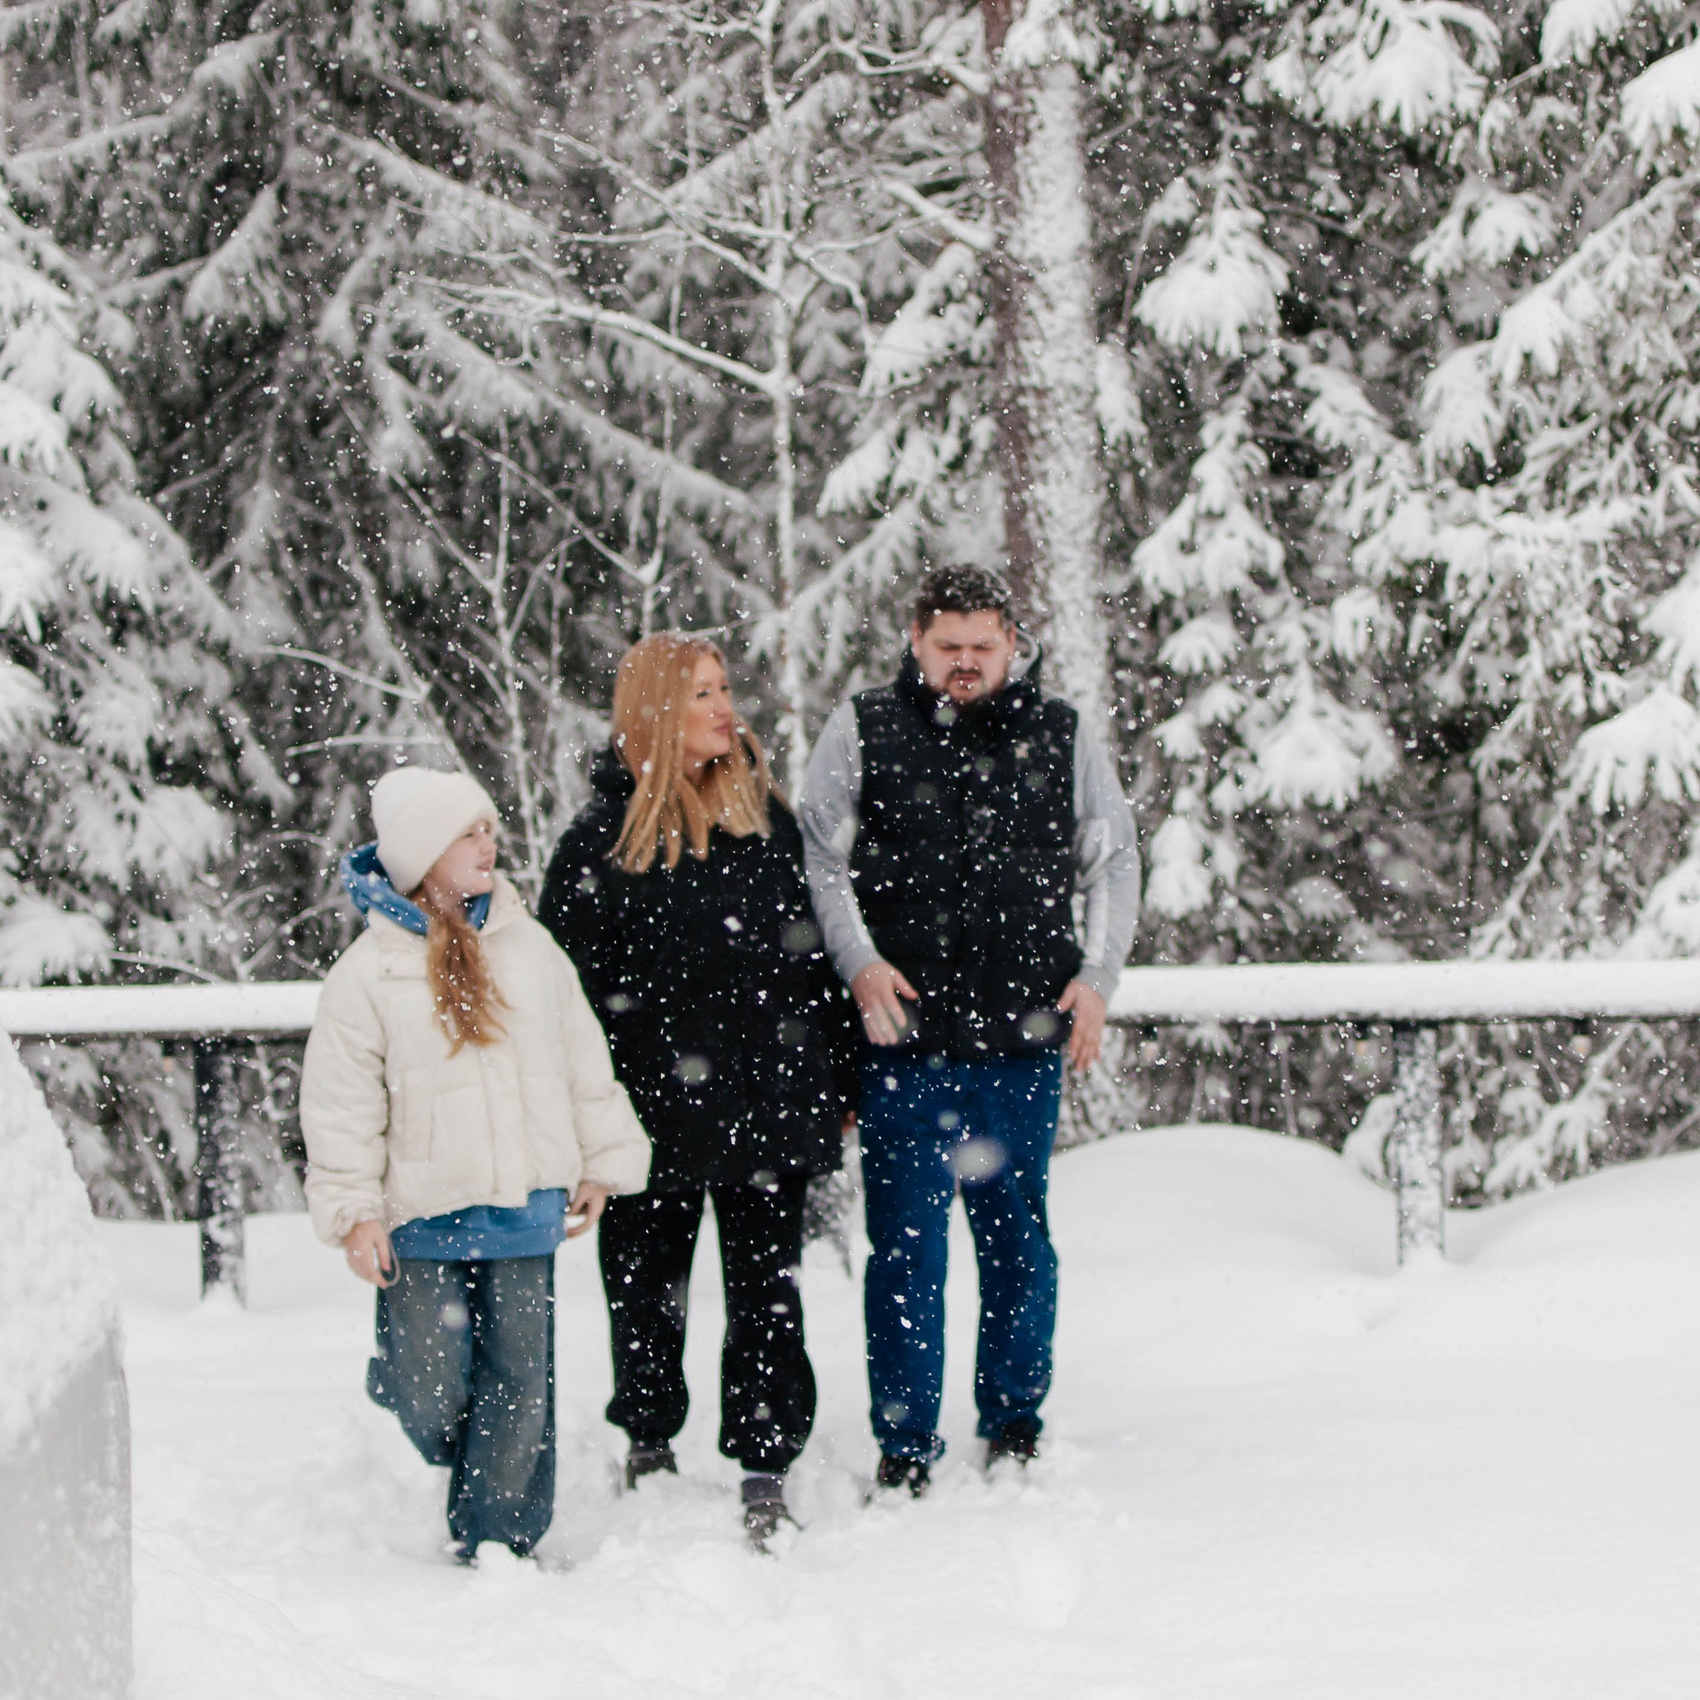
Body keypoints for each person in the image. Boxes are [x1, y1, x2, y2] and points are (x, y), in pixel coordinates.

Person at [800, 565, 1140, 1494]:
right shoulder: (864, 727)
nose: (965, 664)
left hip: (1024, 1043)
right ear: (916, 640)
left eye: (982, 647)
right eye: (948, 646)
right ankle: (905, 1446)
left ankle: (1015, 1424)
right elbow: (820, 859)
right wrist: (860, 961)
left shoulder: (1059, 733)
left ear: (1011, 644)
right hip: (904, 1047)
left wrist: (1098, 980)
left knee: (1018, 1245)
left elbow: (1112, 860)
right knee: (905, 1256)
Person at [540, 634, 856, 1550]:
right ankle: (647, 1439)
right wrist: (578, 1114)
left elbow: (820, 969)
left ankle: (765, 1462)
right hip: (646, 1115)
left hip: (768, 1102)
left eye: (725, 689)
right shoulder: (598, 846)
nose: (726, 708)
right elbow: (569, 997)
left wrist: (836, 1075)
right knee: (644, 1288)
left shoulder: (768, 824)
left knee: (767, 1292)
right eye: (703, 695)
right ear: (654, 715)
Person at [300, 766, 650, 1565]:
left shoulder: (531, 951)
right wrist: (356, 1212)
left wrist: (600, 1161)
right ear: (423, 855)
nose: (489, 843)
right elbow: (340, 1107)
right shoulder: (368, 974)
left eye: (490, 828)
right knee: (432, 1384)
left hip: (525, 1201)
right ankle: (434, 1415)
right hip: (422, 1211)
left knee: (520, 1380)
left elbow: (581, 1061)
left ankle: (499, 1535)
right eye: (469, 833)